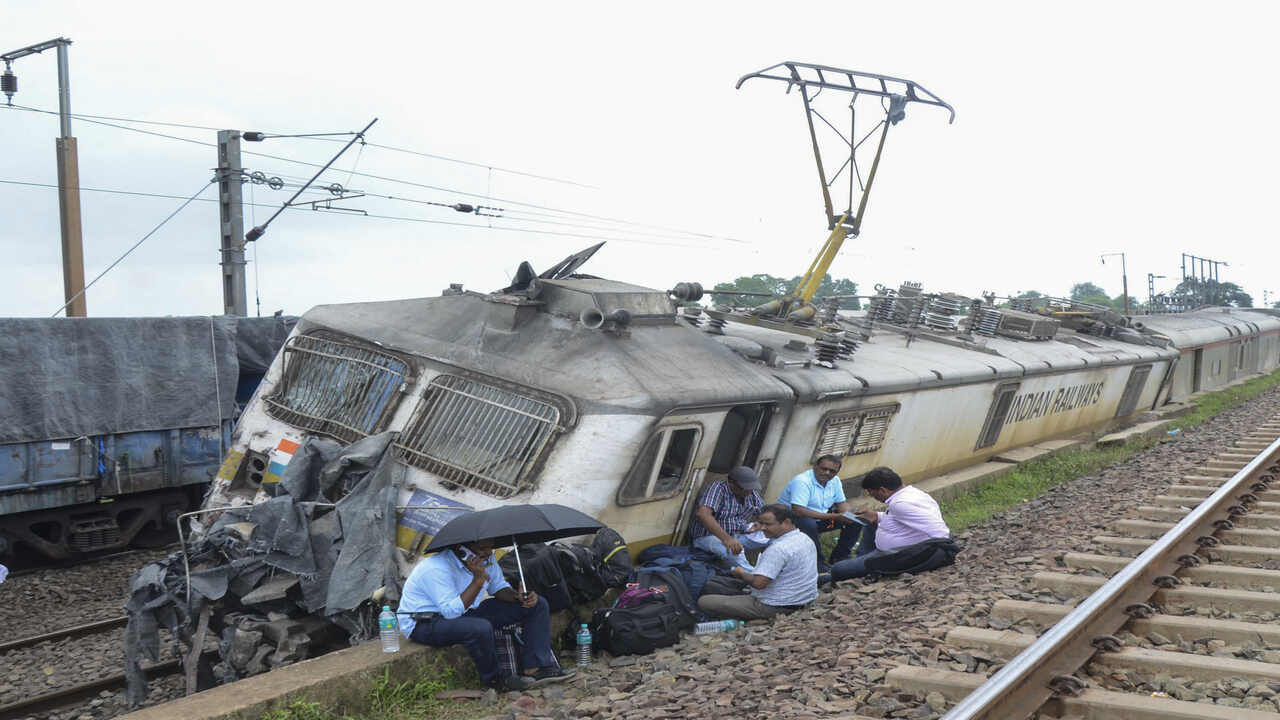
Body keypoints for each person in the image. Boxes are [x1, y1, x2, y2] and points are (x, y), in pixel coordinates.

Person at [398, 538, 575, 691]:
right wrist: (478, 580)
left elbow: (498, 588)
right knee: (480, 628)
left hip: (465, 613)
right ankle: (497, 680)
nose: (488, 553)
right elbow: (451, 612)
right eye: (482, 549)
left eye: (490, 547)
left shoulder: (487, 559)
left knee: (538, 605)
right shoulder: (436, 568)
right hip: (425, 622)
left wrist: (517, 597)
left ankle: (536, 668)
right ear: (462, 549)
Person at [829, 466, 952, 581]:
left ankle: (865, 564)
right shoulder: (913, 493)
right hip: (895, 548)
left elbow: (939, 531)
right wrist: (876, 516)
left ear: (882, 490)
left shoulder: (900, 504)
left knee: (838, 570)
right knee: (872, 522)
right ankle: (863, 559)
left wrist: (916, 555)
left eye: (872, 493)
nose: (873, 497)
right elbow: (901, 519)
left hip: (898, 554)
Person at [697, 504, 818, 621]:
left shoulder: (779, 549)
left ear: (786, 522)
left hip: (775, 606)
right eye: (761, 523)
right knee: (714, 584)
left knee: (704, 601)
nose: (762, 528)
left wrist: (741, 573)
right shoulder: (804, 538)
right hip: (802, 598)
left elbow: (759, 584)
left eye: (768, 524)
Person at [776, 455, 861, 571]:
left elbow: (841, 503)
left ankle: (839, 558)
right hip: (791, 520)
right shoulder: (802, 481)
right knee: (809, 524)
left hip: (820, 517)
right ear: (815, 467)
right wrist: (835, 516)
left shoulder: (834, 481)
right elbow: (799, 510)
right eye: (823, 469)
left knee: (856, 520)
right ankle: (818, 563)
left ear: (837, 472)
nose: (827, 473)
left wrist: (848, 515)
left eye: (832, 471)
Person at [690, 466, 769, 570]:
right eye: (744, 488)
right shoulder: (718, 488)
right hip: (710, 536)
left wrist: (760, 523)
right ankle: (753, 576)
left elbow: (765, 512)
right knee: (733, 551)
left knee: (772, 535)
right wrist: (727, 539)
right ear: (731, 482)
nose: (749, 492)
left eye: (751, 488)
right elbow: (703, 514)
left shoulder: (750, 493)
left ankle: (770, 568)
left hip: (738, 534)